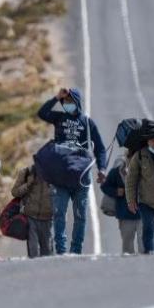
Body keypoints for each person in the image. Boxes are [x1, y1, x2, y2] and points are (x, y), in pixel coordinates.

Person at [37, 87, 107, 255]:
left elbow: (101, 149)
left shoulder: (88, 123)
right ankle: (61, 251)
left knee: (80, 216)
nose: (67, 104)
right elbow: (42, 113)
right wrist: (56, 97)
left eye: (70, 101)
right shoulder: (59, 117)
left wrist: (102, 169)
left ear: (77, 102)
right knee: (59, 213)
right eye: (65, 102)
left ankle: (76, 250)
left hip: (81, 177)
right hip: (61, 176)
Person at [100, 153, 141, 254]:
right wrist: (116, 191)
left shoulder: (147, 169)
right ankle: (128, 267)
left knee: (144, 245)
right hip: (125, 214)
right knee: (127, 246)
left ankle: (146, 267)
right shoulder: (117, 171)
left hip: (143, 214)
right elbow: (105, 186)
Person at [11, 163, 53, 258]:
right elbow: (15, 192)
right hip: (31, 217)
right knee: (33, 253)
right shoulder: (27, 172)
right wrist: (28, 185)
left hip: (48, 218)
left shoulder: (54, 173)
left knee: (47, 253)